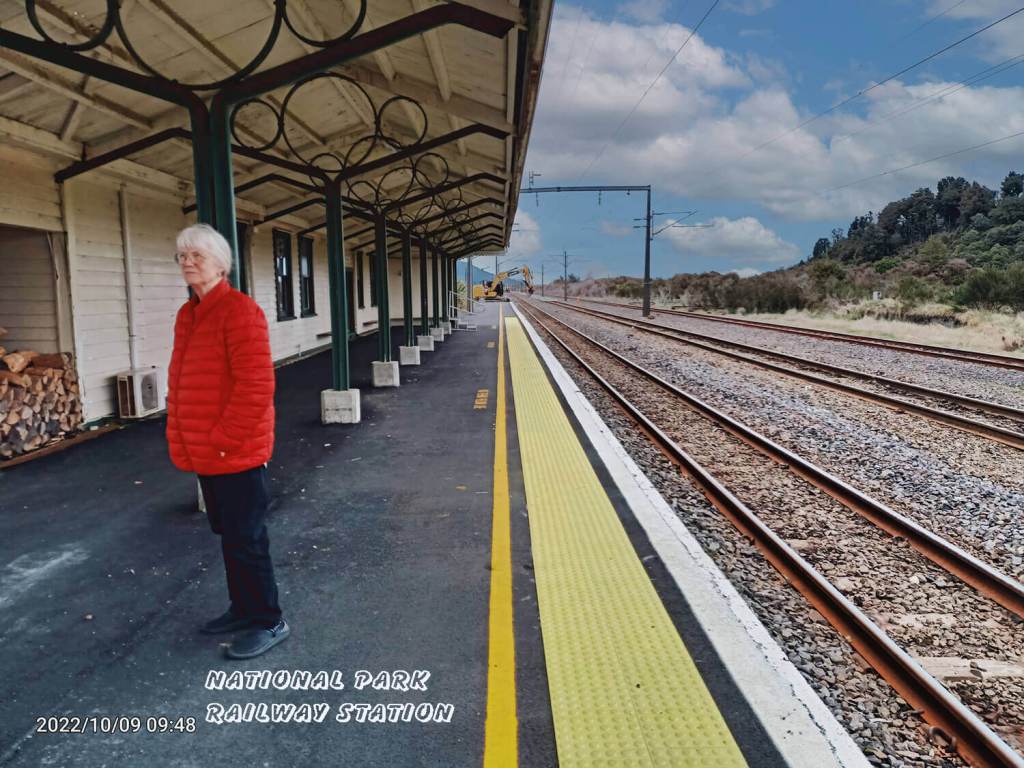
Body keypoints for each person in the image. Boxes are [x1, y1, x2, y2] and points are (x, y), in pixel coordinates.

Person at [165, 223, 290, 660]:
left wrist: (222, 439)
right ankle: (243, 608)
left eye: (196, 255)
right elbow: (183, 379)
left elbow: (256, 387)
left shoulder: (240, 311)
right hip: (207, 450)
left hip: (234, 451)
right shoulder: (188, 314)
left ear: (220, 264)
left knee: (247, 538)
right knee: (229, 534)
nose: (187, 262)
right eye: (182, 256)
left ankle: (269, 620)